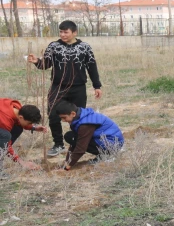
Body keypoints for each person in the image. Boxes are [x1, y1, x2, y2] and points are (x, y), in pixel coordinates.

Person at [27, 20, 102, 158]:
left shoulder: (84, 47)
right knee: (53, 115)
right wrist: (37, 61)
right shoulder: (54, 46)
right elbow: (46, 63)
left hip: (78, 88)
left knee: (78, 117)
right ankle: (58, 144)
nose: (62, 34)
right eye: (61, 32)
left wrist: (97, 85)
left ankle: (78, 142)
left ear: (74, 32)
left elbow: (91, 67)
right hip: (58, 87)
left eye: (66, 32)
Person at [55, 100, 123, 170]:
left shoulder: (85, 125)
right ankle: (104, 154)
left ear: (73, 114)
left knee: (74, 138)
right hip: (105, 141)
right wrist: (68, 161)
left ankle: (107, 155)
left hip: (112, 145)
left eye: (64, 117)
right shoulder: (81, 116)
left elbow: (81, 147)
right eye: (61, 118)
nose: (62, 120)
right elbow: (74, 142)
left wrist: (68, 166)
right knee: (70, 136)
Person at [0, 99, 45, 173]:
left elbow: (20, 122)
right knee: (5, 136)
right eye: (29, 123)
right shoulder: (5, 121)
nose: (30, 124)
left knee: (18, 128)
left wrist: (34, 128)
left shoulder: (17, 108)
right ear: (21, 117)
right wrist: (21, 162)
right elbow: (7, 145)